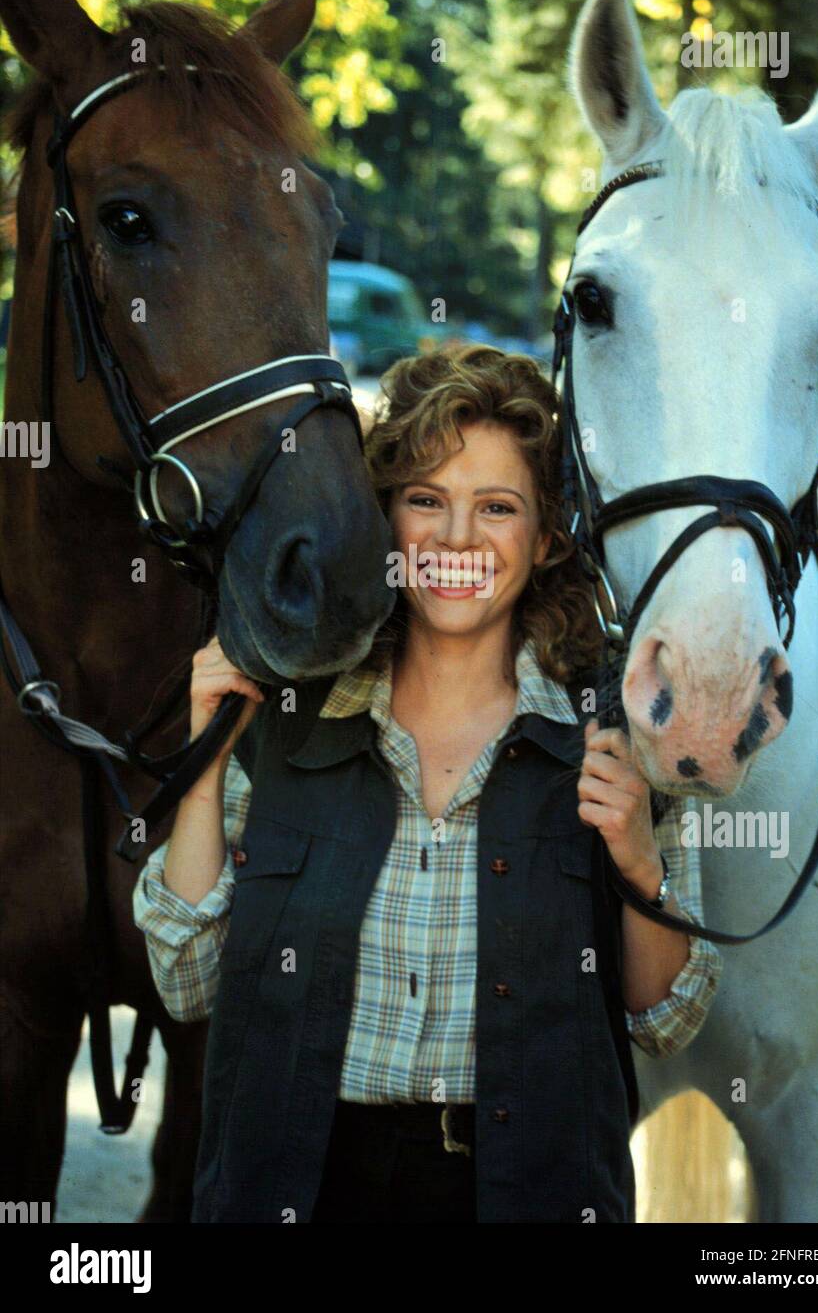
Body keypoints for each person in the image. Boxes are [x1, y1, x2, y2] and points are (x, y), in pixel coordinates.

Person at [133, 344, 721, 1224]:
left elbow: (663, 1021)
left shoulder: (615, 727)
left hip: (520, 1195)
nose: (455, 540)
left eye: (496, 507)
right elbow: (183, 979)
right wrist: (205, 765)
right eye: (425, 500)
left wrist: (640, 868)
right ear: (384, 520)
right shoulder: (291, 712)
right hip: (300, 1188)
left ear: (547, 533)